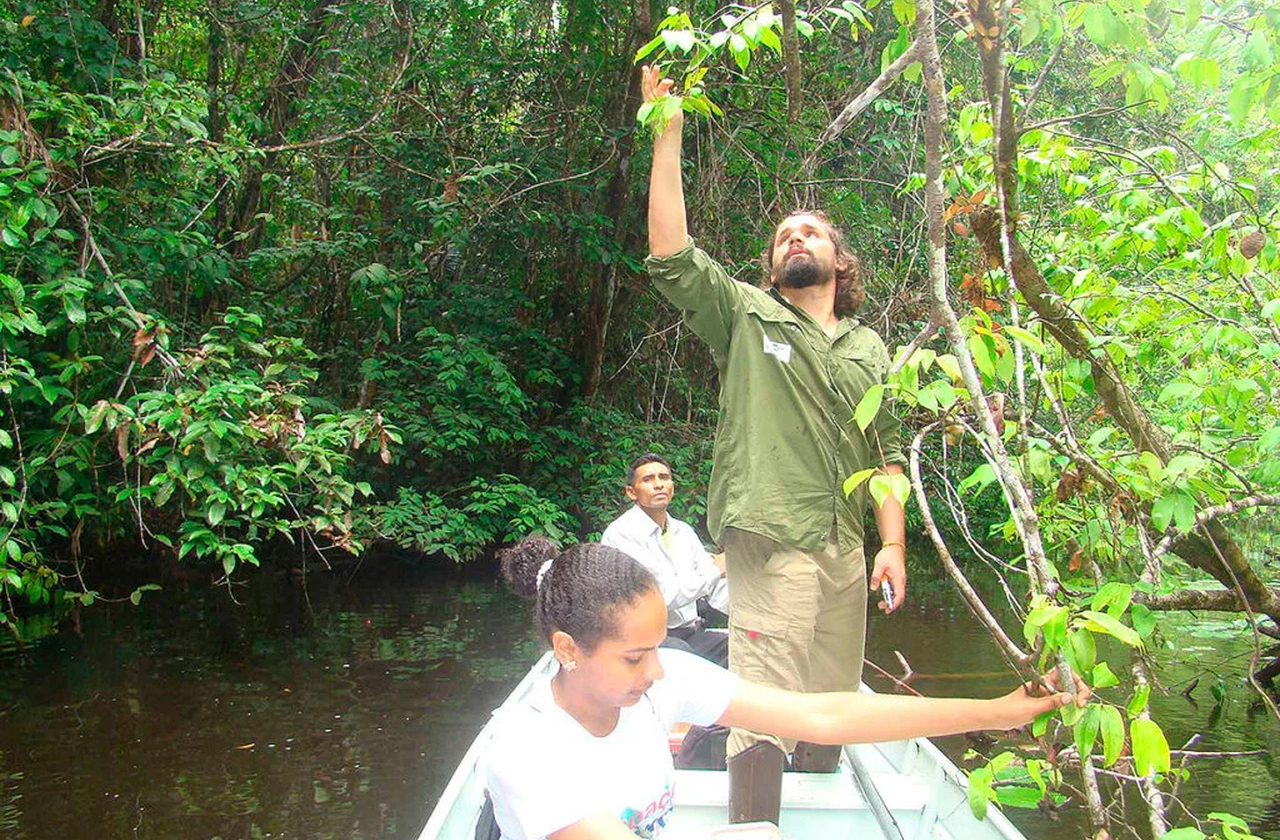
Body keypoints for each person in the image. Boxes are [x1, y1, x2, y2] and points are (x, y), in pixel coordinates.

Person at [641, 65, 910, 815]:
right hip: (771, 536)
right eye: (785, 234)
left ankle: (819, 808)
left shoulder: (869, 349)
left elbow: (887, 458)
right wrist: (669, 132)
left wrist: (891, 545)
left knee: (833, 695)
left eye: (813, 231)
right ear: (773, 263)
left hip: (846, 550)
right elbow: (672, 254)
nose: (797, 237)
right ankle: (754, 827)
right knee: (762, 700)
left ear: (838, 260)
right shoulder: (746, 317)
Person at [483, 539, 1086, 840]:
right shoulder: (525, 749)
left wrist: (998, 709)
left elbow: (822, 715)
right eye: (637, 657)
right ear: (567, 650)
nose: (659, 671)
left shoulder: (657, 684)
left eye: (660, 648)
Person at [601, 453, 730, 667]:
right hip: (645, 640)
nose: (659, 484)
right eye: (648, 479)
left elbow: (714, 589)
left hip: (690, 633)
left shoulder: (683, 532)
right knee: (685, 657)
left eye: (664, 477)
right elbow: (662, 597)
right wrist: (716, 569)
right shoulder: (622, 534)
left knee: (743, 646)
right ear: (631, 492)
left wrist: (752, 613)